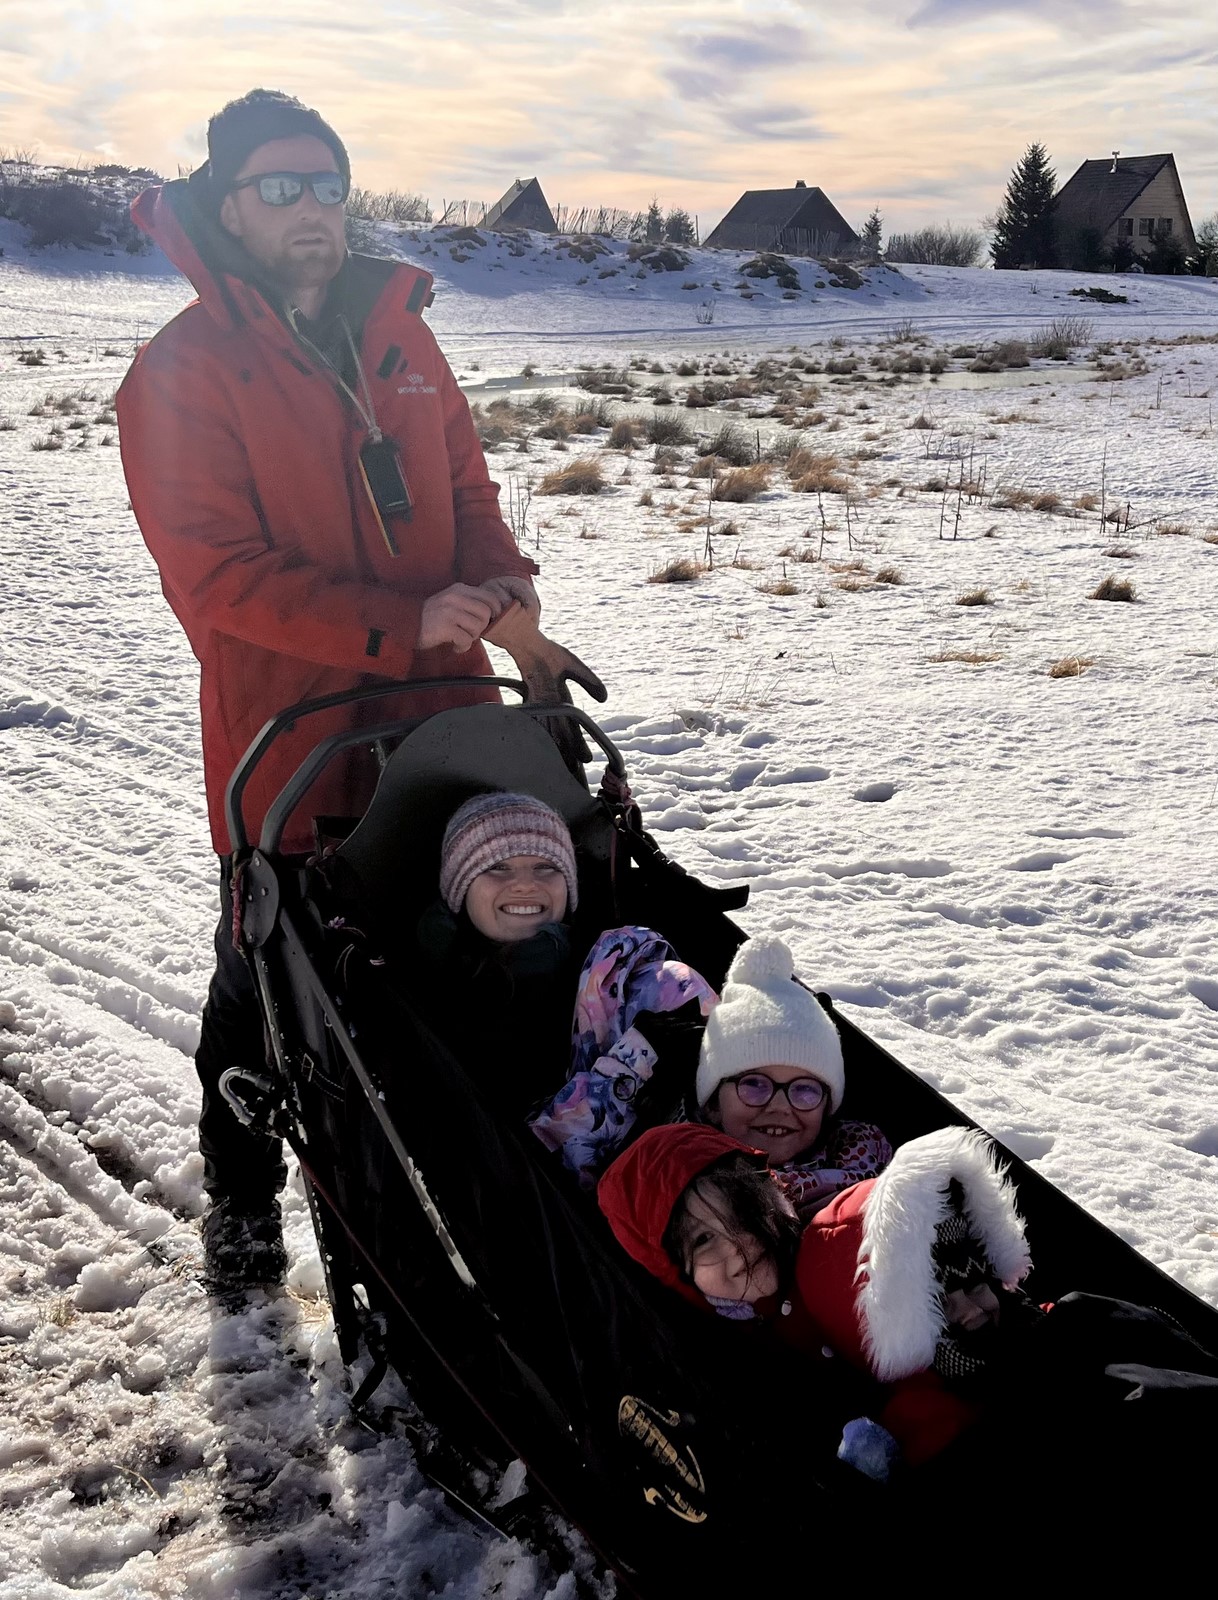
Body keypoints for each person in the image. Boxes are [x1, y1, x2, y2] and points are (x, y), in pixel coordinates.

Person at [116, 89, 539, 1288]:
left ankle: (466, 1212)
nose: (313, 207)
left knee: (452, 961)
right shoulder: (179, 373)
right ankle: (242, 1203)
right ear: (227, 204)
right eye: (281, 186)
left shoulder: (403, 340)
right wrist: (396, 622)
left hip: (445, 723)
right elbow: (218, 577)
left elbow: (468, 493)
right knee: (269, 980)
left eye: (329, 184)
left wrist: (504, 579)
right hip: (290, 740)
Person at [599, 1121, 1033, 1475]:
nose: (738, 1246)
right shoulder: (714, 1347)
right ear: (678, 1270)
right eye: (703, 1240)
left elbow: (885, 1239)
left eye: (743, 1213)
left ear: (770, 1196)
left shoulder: (836, 1250)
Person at [693, 936, 893, 1218]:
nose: (780, 1107)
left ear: (826, 1107)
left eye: (805, 1090)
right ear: (713, 1104)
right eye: (754, 1084)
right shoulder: (680, 1186)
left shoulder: (872, 1167)